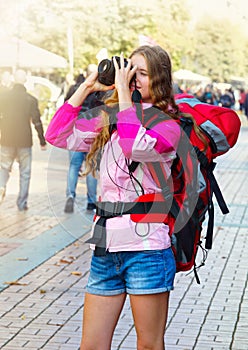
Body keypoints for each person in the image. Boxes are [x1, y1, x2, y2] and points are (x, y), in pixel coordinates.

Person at [46, 45, 204, 349]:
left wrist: (121, 92)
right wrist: (87, 86)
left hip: (147, 251)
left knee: (148, 345)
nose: (132, 78)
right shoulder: (112, 121)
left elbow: (135, 147)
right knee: (91, 345)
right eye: (129, 70)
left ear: (159, 79)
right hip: (106, 248)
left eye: (141, 73)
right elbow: (57, 135)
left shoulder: (169, 126)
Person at [0, 69, 46, 211]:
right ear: (25, 80)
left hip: (6, 138)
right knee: (25, 173)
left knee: (3, 169)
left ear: (13, 79)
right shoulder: (31, 100)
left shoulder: (4, 97)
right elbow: (37, 121)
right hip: (24, 140)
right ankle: (22, 203)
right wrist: (42, 140)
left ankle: (1, 188)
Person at [63, 73, 99, 213]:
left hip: (75, 132)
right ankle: (91, 201)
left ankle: (70, 195)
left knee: (73, 166)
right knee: (91, 167)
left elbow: (66, 108)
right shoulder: (98, 92)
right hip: (92, 134)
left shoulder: (74, 89)